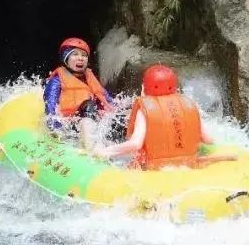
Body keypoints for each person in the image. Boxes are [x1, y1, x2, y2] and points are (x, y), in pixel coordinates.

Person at [94, 64, 225, 169]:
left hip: (154, 170)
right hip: (188, 166)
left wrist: (106, 151)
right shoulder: (189, 105)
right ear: (174, 87)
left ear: (144, 87)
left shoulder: (146, 110)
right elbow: (208, 140)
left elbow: (135, 144)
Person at [43, 37, 114, 149]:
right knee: (89, 105)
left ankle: (102, 142)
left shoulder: (89, 77)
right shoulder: (57, 80)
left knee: (105, 112)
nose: (81, 58)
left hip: (88, 120)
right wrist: (55, 129)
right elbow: (50, 104)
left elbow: (106, 97)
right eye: (75, 54)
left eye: (84, 55)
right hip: (68, 124)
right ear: (66, 58)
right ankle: (91, 146)